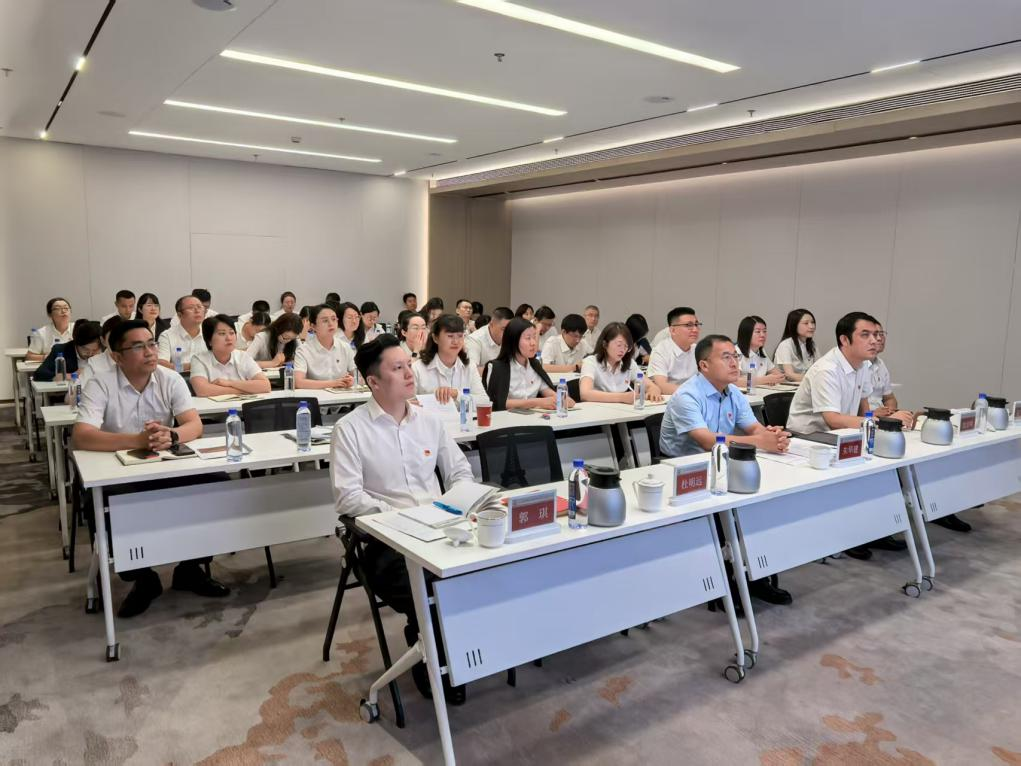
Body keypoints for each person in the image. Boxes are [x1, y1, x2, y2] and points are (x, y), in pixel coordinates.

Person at [331, 334, 476, 704]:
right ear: (374, 381)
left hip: (440, 529)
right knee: (429, 590)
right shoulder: (350, 429)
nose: (410, 373)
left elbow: (460, 473)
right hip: (385, 541)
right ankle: (431, 650)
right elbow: (347, 498)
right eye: (398, 368)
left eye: (409, 365)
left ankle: (459, 647)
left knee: (482, 573)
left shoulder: (429, 421)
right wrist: (399, 517)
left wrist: (456, 504)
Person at [72, 320, 228, 617]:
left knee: (216, 483)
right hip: (118, 469)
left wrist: (172, 435)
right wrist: (138, 440)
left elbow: (194, 424)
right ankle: (143, 578)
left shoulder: (170, 379)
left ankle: (190, 568)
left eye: (152, 344)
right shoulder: (100, 383)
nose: (149, 352)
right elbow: (82, 436)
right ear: (117, 356)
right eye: (138, 346)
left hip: (163, 465)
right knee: (108, 501)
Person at [659, 334, 793, 605]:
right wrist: (760, 442)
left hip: (723, 465)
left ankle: (756, 576)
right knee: (731, 512)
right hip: (687, 472)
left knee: (761, 502)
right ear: (704, 365)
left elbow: (754, 428)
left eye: (735, 356)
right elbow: (707, 440)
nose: (734, 363)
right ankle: (726, 584)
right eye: (726, 357)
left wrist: (772, 435)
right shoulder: (687, 395)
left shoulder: (733, 392)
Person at [785, 312, 914, 558]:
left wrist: (875, 425)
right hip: (809, 436)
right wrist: (883, 422)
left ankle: (875, 530)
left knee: (882, 459)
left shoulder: (862, 365)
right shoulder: (827, 369)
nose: (874, 340)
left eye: (876, 334)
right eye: (865, 335)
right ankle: (851, 535)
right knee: (863, 464)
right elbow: (832, 420)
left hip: (839, 433)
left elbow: (863, 407)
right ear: (845, 340)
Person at [484, 317, 575, 411]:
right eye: (528, 338)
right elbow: (498, 403)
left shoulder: (534, 365)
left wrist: (562, 399)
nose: (533, 343)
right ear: (513, 340)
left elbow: (547, 391)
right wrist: (536, 402)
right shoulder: (497, 368)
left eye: (534, 337)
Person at [579, 322, 662, 404]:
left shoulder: (629, 364)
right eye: (619, 345)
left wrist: (653, 391)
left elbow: (651, 386)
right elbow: (585, 394)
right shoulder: (591, 362)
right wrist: (622, 397)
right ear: (605, 344)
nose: (623, 350)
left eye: (626, 346)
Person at [190, 315, 271, 397]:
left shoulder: (243, 356)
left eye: (232, 333)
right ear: (209, 340)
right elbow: (202, 391)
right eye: (222, 333)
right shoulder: (199, 359)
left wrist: (229, 383)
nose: (229, 338)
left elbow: (265, 386)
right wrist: (245, 390)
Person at [412, 314, 486, 403]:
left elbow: (484, 401)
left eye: (460, 336)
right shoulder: (417, 368)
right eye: (450, 336)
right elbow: (408, 403)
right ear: (435, 338)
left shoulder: (469, 366)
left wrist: (457, 394)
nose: (456, 341)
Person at [294, 304, 355, 389]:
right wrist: (333, 383)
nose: (331, 324)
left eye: (334, 319)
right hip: (315, 396)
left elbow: (357, 376)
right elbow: (298, 382)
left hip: (342, 395)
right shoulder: (303, 350)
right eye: (325, 321)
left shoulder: (345, 347)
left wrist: (352, 380)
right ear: (313, 326)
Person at [648, 306, 701, 395]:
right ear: (673, 330)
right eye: (689, 325)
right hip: (669, 399)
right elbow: (662, 386)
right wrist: (695, 393)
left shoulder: (698, 350)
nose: (695, 329)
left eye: (696, 324)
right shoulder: (661, 351)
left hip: (694, 398)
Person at [33, 321, 102, 382]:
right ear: (76, 343)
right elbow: (39, 374)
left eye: (95, 350)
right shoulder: (61, 350)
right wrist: (69, 375)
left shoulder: (105, 351)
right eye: (85, 349)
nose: (90, 353)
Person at [158, 295, 207, 371]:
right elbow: (161, 364)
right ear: (179, 315)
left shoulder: (210, 333)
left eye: (199, 307)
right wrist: (192, 366)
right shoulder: (167, 336)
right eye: (191, 308)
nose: (197, 310)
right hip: (179, 377)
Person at [736, 316, 787, 387]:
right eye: (758, 332)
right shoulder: (736, 352)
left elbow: (779, 375)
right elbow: (735, 381)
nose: (762, 335)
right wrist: (766, 380)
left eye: (764, 331)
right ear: (746, 334)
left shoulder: (761, 351)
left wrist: (775, 379)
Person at [774, 309, 818, 382]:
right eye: (806, 323)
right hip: (787, 386)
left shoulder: (812, 344)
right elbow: (789, 375)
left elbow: (820, 367)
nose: (811, 326)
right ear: (794, 325)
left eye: (812, 322)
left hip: (804, 384)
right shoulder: (785, 345)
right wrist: (816, 380)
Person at [465, 306, 512, 373]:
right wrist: (499, 369)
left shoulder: (512, 336)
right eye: (504, 329)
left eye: (510, 329)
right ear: (491, 324)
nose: (508, 333)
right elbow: (472, 371)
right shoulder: (474, 339)